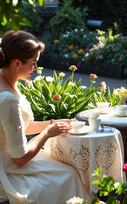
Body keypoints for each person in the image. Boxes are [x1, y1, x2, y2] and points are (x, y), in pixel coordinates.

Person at [0, 30, 89, 203]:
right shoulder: (7, 99)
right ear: (17, 62)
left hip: (12, 160)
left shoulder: (8, 82)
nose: (36, 68)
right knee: (70, 174)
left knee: (67, 169)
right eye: (33, 63)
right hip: (9, 170)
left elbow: (22, 126)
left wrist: (54, 123)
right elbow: (19, 159)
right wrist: (47, 133)